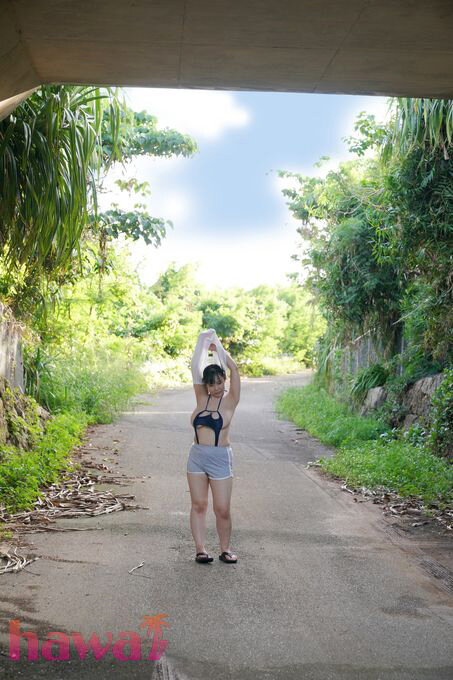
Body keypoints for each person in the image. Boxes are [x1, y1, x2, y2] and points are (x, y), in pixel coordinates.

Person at [187, 329, 241, 564]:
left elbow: (234, 369)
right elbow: (194, 367)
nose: (217, 387)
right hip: (197, 457)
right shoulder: (201, 398)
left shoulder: (230, 401)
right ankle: (200, 550)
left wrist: (216, 344)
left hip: (220, 458)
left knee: (222, 508)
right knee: (198, 504)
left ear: (224, 381)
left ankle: (225, 549)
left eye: (220, 382)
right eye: (212, 384)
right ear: (206, 386)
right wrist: (202, 341)